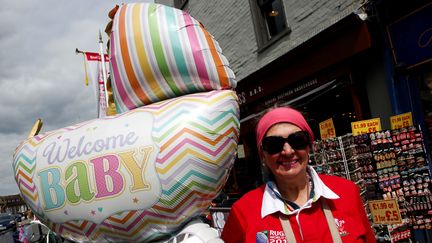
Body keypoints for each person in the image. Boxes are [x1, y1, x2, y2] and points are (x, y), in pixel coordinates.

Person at [221, 107, 376, 242]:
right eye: (274, 144)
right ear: (262, 154)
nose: (288, 151)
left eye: (297, 140)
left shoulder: (346, 193)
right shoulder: (243, 212)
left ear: (309, 146)